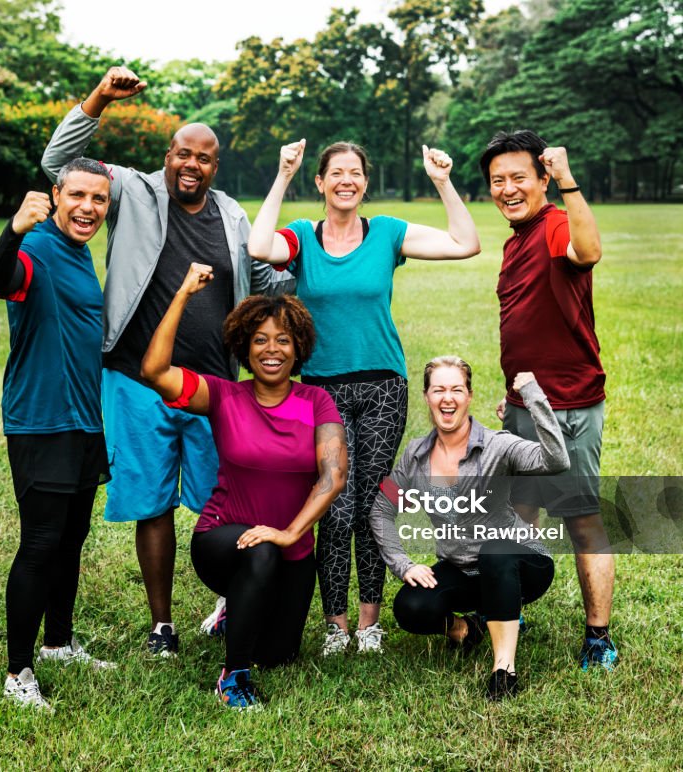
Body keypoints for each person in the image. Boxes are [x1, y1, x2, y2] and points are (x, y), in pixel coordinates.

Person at [40, 66, 289, 656]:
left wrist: (306, 272)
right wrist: (99, 98)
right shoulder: (132, 191)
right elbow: (58, 165)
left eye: (203, 157)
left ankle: (230, 606)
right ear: (168, 156)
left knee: (221, 500)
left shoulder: (231, 214)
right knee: (152, 503)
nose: (191, 165)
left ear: (214, 167)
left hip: (211, 387)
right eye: (182, 153)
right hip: (135, 378)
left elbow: (261, 278)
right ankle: (162, 626)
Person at [247, 139, 480, 655]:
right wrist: (283, 173)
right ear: (321, 182)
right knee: (334, 505)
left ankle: (370, 624)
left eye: (355, 172)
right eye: (336, 173)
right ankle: (336, 626)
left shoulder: (388, 233)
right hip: (322, 390)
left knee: (372, 504)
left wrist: (442, 181)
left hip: (382, 388)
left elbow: (466, 243)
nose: (346, 180)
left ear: (364, 183)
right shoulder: (303, 237)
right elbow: (258, 247)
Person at [139, 263, 347, 709]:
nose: (271, 350)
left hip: (291, 549)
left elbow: (334, 476)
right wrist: (182, 295)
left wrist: (291, 533)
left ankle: (235, 612)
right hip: (223, 539)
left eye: (283, 340)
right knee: (260, 551)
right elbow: (155, 371)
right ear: (243, 347)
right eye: (260, 340)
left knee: (280, 654)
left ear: (299, 348)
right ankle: (232, 676)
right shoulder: (223, 395)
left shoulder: (317, 401)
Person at [0, 157, 116, 712]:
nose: (88, 207)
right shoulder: (35, 247)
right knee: (40, 542)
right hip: (42, 420)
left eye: (99, 200)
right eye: (78, 195)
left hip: (84, 420)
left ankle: (58, 642)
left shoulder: (81, 253)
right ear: (57, 194)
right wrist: (13, 229)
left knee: (71, 538)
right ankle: (18, 673)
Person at [479, 130, 617, 670]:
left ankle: (598, 636)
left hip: (568, 407)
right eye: (497, 181)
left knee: (581, 518)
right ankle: (516, 611)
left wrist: (569, 180)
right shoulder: (517, 238)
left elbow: (589, 251)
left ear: (541, 179)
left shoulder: (556, 221)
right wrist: (513, 391)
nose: (508, 189)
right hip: (524, 405)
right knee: (520, 514)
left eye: (519, 178)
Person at [369, 357, 568, 700]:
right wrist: (403, 564)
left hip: (522, 563)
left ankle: (503, 669)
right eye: (439, 390)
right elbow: (382, 509)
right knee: (410, 607)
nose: (448, 398)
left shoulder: (497, 445)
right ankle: (467, 629)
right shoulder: (415, 458)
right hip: (462, 568)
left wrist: (534, 396)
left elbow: (556, 461)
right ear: (427, 397)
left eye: (456, 389)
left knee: (495, 551)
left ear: (469, 396)